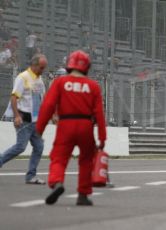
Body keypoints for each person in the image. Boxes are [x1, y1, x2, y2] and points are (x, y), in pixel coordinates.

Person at [36, 50, 107, 206]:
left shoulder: (60, 83)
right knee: (87, 161)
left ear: (70, 64)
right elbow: (100, 114)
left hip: (65, 125)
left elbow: (48, 106)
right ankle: (83, 195)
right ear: (87, 67)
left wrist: (39, 128)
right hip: (86, 126)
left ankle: (57, 182)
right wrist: (102, 137)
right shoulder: (93, 86)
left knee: (59, 157)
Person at [0, 54, 47, 185]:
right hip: (24, 120)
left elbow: (43, 98)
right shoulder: (23, 77)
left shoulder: (39, 79)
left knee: (39, 146)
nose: (43, 70)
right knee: (20, 147)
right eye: (42, 67)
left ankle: (31, 176)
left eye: (44, 68)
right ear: (35, 65)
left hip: (36, 122)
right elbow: (14, 97)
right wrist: (16, 116)